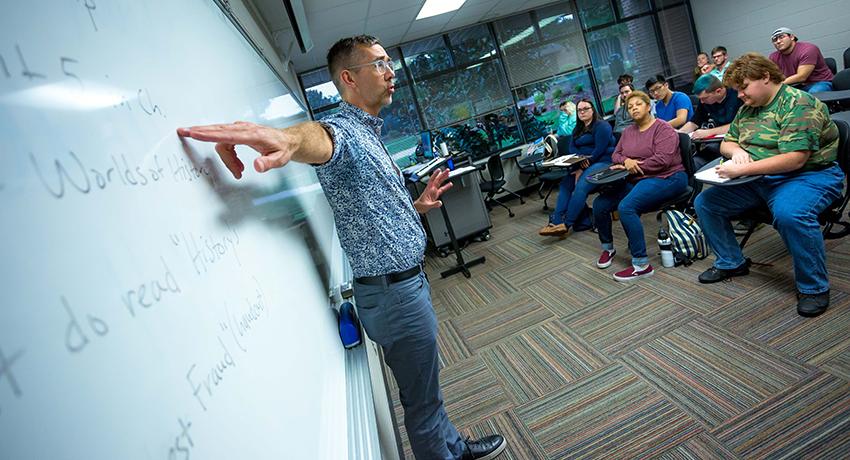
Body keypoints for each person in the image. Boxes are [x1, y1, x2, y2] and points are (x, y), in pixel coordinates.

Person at [177, 35, 506, 460]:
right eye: (380, 64)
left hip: (401, 286)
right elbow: (318, 138)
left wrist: (415, 207)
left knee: (426, 388)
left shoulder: (369, 133)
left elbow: (369, 205)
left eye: (390, 63)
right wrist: (285, 139)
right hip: (395, 296)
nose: (391, 73)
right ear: (349, 78)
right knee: (421, 405)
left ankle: (454, 447)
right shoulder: (344, 132)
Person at [694, 52, 842, 317]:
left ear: (765, 77)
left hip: (809, 175)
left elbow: (795, 160)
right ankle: (731, 262)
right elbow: (727, 140)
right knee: (705, 203)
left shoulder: (798, 104)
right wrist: (735, 152)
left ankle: (813, 288)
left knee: (790, 214)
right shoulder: (748, 108)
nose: (739, 94)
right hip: (760, 177)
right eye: (737, 90)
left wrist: (742, 169)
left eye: (743, 87)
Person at [593, 91, 687, 281]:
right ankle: (607, 249)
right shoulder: (628, 132)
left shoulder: (663, 129)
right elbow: (615, 155)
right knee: (600, 205)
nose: (633, 108)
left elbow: (663, 160)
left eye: (637, 104)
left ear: (648, 106)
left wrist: (633, 165)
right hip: (638, 178)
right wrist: (627, 160)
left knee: (626, 207)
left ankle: (641, 264)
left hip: (668, 177)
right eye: (629, 106)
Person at [539, 99, 615, 237]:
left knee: (581, 186)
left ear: (593, 109)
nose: (582, 112)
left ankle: (566, 224)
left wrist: (587, 161)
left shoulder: (602, 126)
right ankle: (556, 221)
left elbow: (600, 149)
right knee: (565, 185)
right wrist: (580, 160)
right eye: (579, 110)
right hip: (583, 163)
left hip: (603, 161)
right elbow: (572, 147)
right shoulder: (578, 129)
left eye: (585, 108)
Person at [679, 74, 743, 169]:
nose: (702, 102)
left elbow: (739, 124)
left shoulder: (737, 96)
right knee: (693, 163)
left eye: (704, 98)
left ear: (718, 91)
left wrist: (709, 132)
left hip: (738, 139)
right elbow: (694, 122)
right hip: (717, 141)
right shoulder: (705, 102)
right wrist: (679, 133)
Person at [769, 27, 834, 93]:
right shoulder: (773, 57)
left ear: (792, 37)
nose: (778, 41)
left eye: (781, 37)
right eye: (775, 40)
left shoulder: (808, 49)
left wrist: (777, 85)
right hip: (795, 85)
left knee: (813, 94)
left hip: (820, 82)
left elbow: (802, 77)